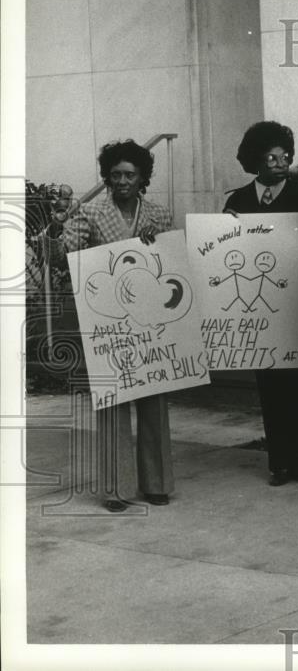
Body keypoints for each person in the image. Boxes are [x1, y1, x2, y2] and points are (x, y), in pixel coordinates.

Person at [48, 140, 174, 512]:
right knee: (113, 404)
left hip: (150, 323)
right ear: (107, 177)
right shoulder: (89, 213)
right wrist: (57, 227)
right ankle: (117, 488)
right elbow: (63, 258)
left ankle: (157, 483)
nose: (122, 181)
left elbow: (172, 267)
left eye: (130, 175)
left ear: (142, 179)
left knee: (154, 400)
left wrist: (158, 244)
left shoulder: (160, 215)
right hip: (108, 323)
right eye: (115, 174)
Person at [223, 121, 298, 487]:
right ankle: (280, 461)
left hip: (297, 300)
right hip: (255, 307)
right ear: (254, 159)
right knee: (268, 383)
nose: (278, 161)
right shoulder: (237, 201)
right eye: (270, 155)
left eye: (284, 156)